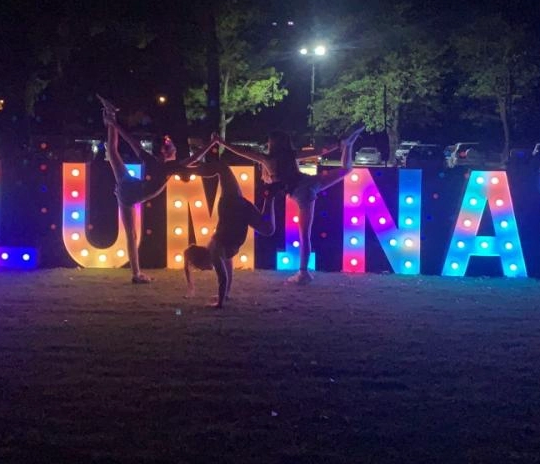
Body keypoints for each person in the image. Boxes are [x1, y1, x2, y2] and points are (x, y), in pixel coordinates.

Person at [219, 126, 364, 284]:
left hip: (302, 193)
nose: (267, 144)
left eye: (269, 142)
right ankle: (348, 145)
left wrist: (222, 142)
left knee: (304, 235)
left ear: (272, 144)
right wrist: (339, 144)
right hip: (310, 182)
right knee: (346, 169)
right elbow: (319, 151)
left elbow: (242, 152)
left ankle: (303, 273)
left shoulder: (267, 159)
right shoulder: (291, 155)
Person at [98, 95, 215, 283]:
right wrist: (212, 143)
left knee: (112, 152)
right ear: (165, 152)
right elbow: (193, 158)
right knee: (131, 235)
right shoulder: (169, 167)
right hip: (131, 193)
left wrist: (116, 125)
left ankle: (110, 114)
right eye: (172, 147)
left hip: (130, 185)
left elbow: (132, 142)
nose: (175, 148)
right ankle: (136, 274)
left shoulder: (153, 161)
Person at [181, 146, 276, 307]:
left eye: (199, 268)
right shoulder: (219, 251)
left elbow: (223, 278)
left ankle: (185, 170)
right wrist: (225, 295)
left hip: (231, 206)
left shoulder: (215, 252)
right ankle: (270, 194)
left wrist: (219, 303)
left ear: (202, 260)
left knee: (222, 168)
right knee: (268, 229)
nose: (203, 270)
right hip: (238, 211)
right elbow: (228, 272)